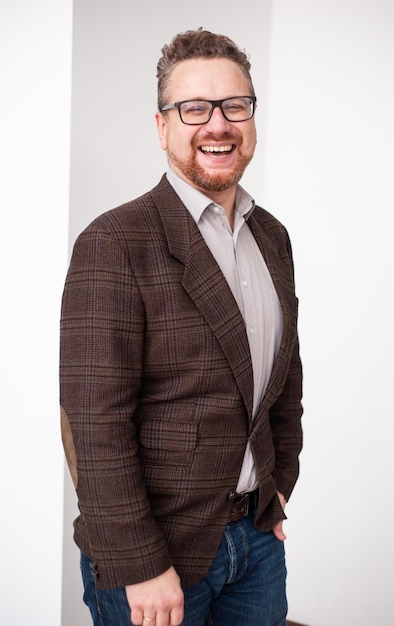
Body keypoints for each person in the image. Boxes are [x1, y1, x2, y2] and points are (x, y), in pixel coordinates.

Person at [60, 27, 303, 626]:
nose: (217, 125)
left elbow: (282, 378)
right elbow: (92, 422)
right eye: (194, 108)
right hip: (157, 562)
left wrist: (279, 484)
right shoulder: (114, 242)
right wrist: (139, 563)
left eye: (235, 106)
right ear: (163, 124)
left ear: (252, 117)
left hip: (255, 544)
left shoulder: (272, 237)